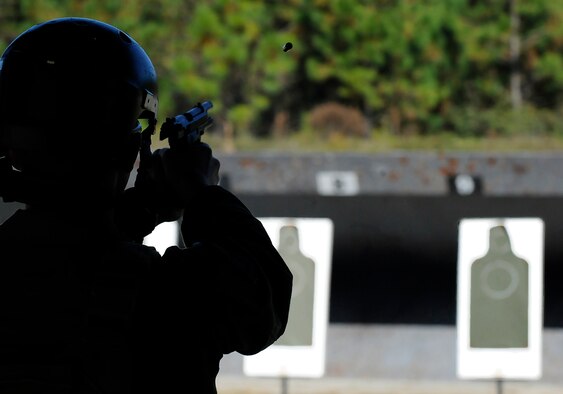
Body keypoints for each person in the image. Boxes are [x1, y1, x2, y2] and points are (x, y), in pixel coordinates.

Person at [0, 17, 292, 393]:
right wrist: (202, 194)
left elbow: (69, 243)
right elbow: (262, 301)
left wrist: (143, 210)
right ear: (125, 149)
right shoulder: (158, 292)